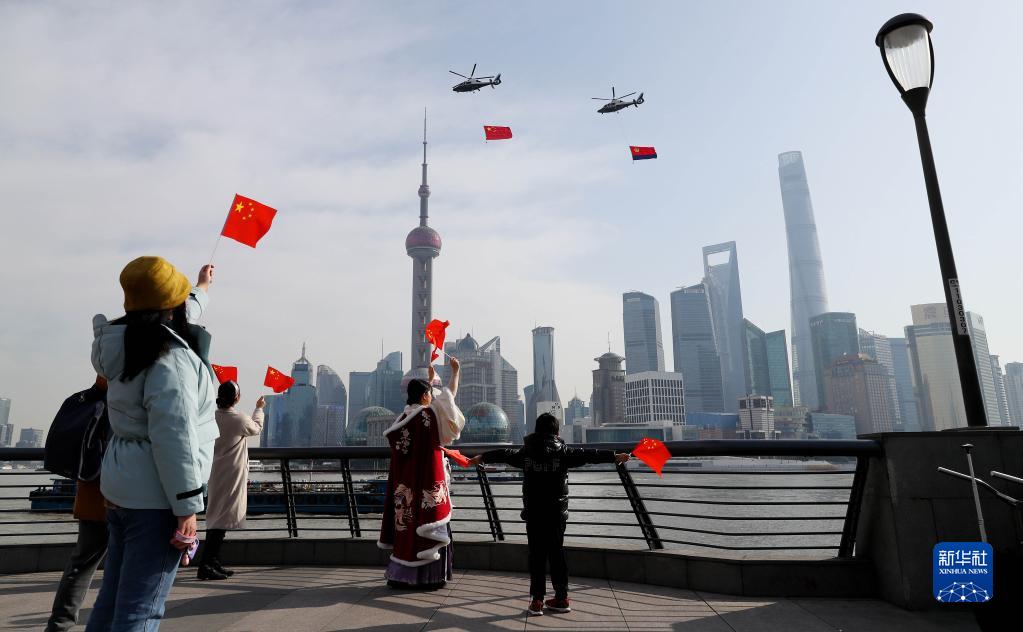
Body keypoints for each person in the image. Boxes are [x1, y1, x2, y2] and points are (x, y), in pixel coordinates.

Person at [85, 258, 218, 632]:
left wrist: (203, 287)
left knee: (112, 602)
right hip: (158, 499)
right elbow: (175, 436)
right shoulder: (170, 359)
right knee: (141, 611)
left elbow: (177, 311)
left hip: (121, 490)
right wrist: (187, 507)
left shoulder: (124, 344)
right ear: (170, 306)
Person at [468, 413, 631, 616]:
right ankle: (561, 598)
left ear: (536, 431)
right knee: (557, 554)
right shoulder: (564, 452)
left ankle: (537, 601)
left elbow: (504, 454)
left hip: (534, 513)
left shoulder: (526, 453)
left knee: (536, 556)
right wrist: (614, 456)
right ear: (557, 432)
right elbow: (588, 454)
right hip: (557, 513)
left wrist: (482, 457)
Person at [377, 358, 464, 589]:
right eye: (429, 393)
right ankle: (429, 578)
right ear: (426, 396)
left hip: (405, 489)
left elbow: (436, 400)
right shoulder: (428, 416)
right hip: (427, 483)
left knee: (406, 528)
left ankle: (401, 576)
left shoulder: (402, 419)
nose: (431, 397)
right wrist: (455, 372)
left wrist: (430, 381)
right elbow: (448, 397)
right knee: (429, 526)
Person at [45, 376, 110, 632]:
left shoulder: (103, 388)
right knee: (127, 568)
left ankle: (58, 626)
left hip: (94, 489)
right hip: (125, 493)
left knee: (82, 563)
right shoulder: (133, 394)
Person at [197, 381, 265, 580]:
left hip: (213, 471)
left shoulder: (210, 417)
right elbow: (256, 428)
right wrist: (259, 408)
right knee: (220, 520)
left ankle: (213, 562)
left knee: (216, 517)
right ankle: (206, 565)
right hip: (231, 475)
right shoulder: (238, 419)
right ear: (237, 398)